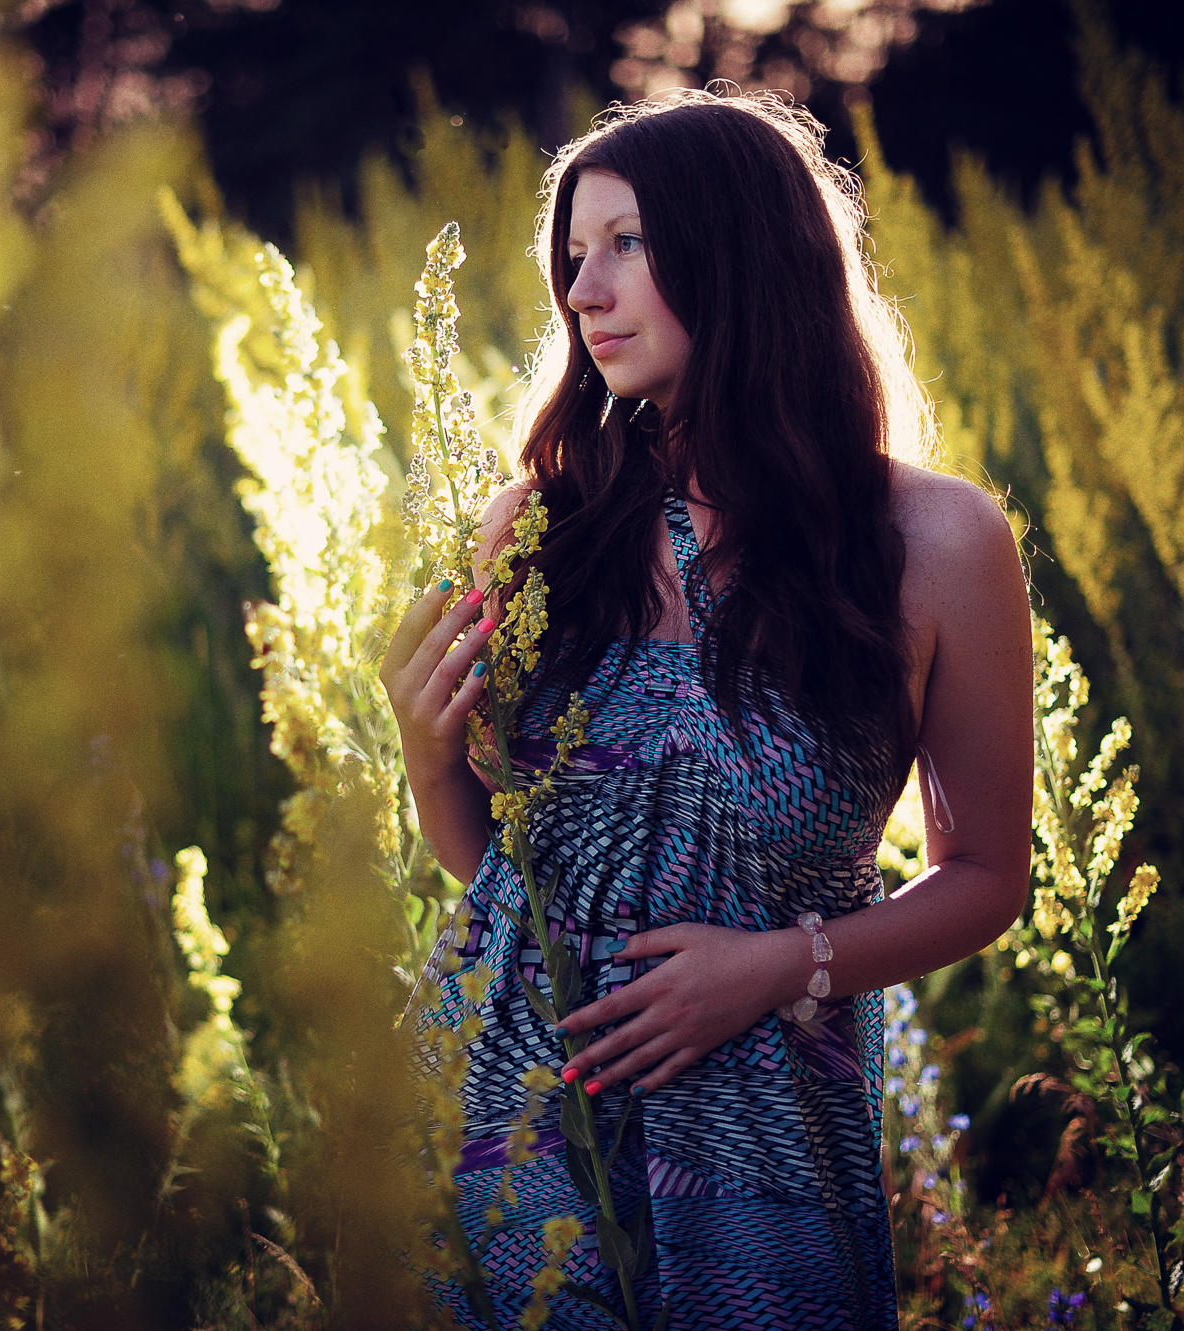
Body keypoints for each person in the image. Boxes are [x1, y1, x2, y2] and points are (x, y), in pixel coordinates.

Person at [380, 89, 1033, 1331]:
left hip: (763, 1137)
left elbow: (988, 875)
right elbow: (511, 882)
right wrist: (430, 764)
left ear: (739, 248)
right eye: (570, 258)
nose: (581, 292)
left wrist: (782, 967)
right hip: (507, 1115)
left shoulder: (937, 539)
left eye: (623, 243)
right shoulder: (537, 528)